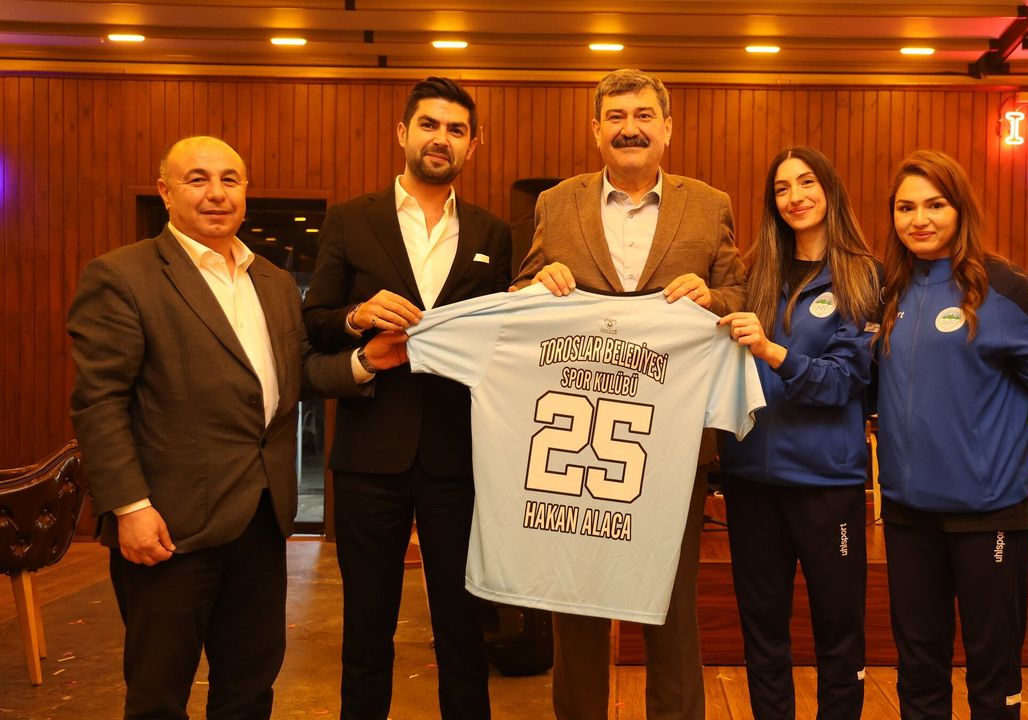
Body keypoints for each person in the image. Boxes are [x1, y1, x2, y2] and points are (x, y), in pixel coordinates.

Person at [67, 136, 407, 719]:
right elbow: (99, 402)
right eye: (197, 179)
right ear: (165, 191)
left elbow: (293, 373)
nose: (216, 194)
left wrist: (364, 362)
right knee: (158, 694)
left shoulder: (271, 280)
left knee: (249, 689)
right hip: (168, 525)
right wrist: (129, 506)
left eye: (230, 179)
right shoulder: (123, 276)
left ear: (245, 191)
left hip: (261, 518)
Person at [512, 67, 746, 720]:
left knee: (670, 605)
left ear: (667, 128)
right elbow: (518, 295)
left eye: (644, 116)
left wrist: (712, 297)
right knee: (577, 605)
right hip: (576, 444)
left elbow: (741, 296)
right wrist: (538, 283)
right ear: (596, 130)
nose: (630, 128)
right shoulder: (556, 203)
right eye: (615, 117)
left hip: (673, 442)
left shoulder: (710, 204)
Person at [302, 77, 512, 720]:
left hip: (461, 458)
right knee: (366, 630)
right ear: (403, 132)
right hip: (369, 456)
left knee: (463, 631)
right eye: (429, 124)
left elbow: (505, 339)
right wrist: (358, 318)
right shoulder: (350, 219)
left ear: (473, 144)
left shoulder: (492, 232)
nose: (441, 138)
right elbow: (315, 323)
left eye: (456, 129)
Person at [874, 150, 1028, 719]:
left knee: (992, 674)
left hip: (991, 515)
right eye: (905, 207)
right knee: (919, 672)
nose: (919, 219)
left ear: (960, 209)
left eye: (935, 205)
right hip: (908, 515)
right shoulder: (890, 288)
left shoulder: (1001, 285)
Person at [716, 146, 880, 719]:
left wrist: (771, 351)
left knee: (839, 632)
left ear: (829, 189)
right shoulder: (751, 272)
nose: (795, 197)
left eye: (806, 182)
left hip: (826, 481)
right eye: (782, 188)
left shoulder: (863, 275)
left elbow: (843, 381)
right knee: (762, 633)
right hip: (749, 479)